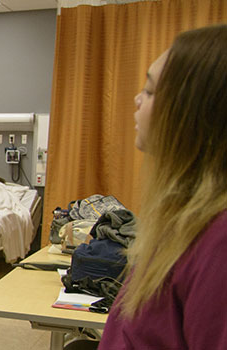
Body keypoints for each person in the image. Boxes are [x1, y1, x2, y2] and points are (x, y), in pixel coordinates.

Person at [96, 24, 227, 350]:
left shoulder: (219, 243)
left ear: (194, 110)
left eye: (151, 91)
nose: (138, 100)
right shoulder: (185, 221)